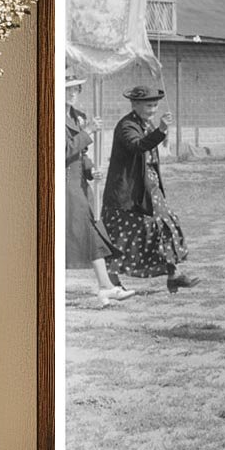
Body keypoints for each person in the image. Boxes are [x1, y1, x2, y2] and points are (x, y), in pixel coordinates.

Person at [101, 83, 199, 293]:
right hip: (126, 193)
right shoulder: (126, 126)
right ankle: (111, 281)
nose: (153, 110)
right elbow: (138, 146)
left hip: (148, 187)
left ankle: (174, 274)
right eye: (149, 106)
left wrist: (161, 131)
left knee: (164, 224)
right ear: (135, 105)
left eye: (155, 106)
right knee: (119, 236)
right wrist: (162, 130)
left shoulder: (146, 123)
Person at [65, 76, 137, 309]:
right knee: (85, 233)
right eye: (66, 89)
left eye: (75, 88)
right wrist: (87, 132)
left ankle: (105, 287)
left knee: (89, 232)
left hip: (78, 185)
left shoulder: (76, 116)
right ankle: (105, 286)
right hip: (64, 185)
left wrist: (90, 170)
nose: (72, 93)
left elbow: (80, 154)